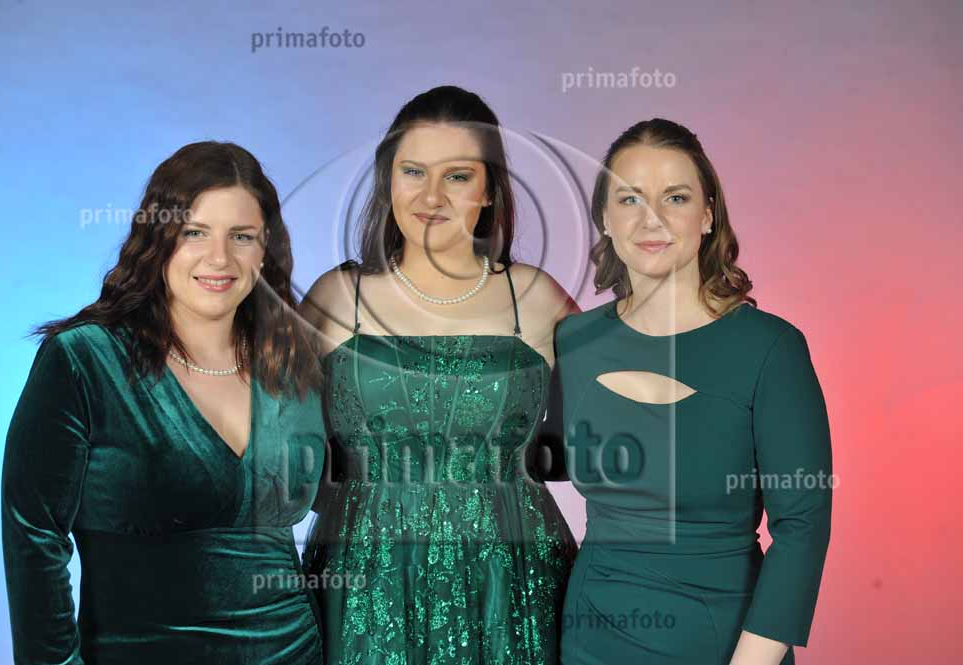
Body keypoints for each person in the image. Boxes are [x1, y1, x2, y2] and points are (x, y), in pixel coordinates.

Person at [2, 141, 327, 664]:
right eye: (195, 232)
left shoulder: (291, 365)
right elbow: (34, 536)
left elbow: (346, 499)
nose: (219, 258)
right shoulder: (86, 360)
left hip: (296, 652)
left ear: (264, 248)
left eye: (241, 236)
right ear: (158, 240)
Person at [301, 86, 578, 664]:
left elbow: (620, 412)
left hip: (513, 577)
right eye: (413, 172)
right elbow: (271, 440)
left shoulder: (537, 299)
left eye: (457, 176)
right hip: (365, 577)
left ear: (489, 189)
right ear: (387, 180)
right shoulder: (336, 298)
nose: (431, 196)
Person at [553, 119, 832, 665]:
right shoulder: (573, 341)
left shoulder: (771, 348)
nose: (651, 219)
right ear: (604, 218)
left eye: (675, 198)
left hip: (727, 643)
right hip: (589, 638)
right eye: (630, 199)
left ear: (707, 215)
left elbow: (802, 528)